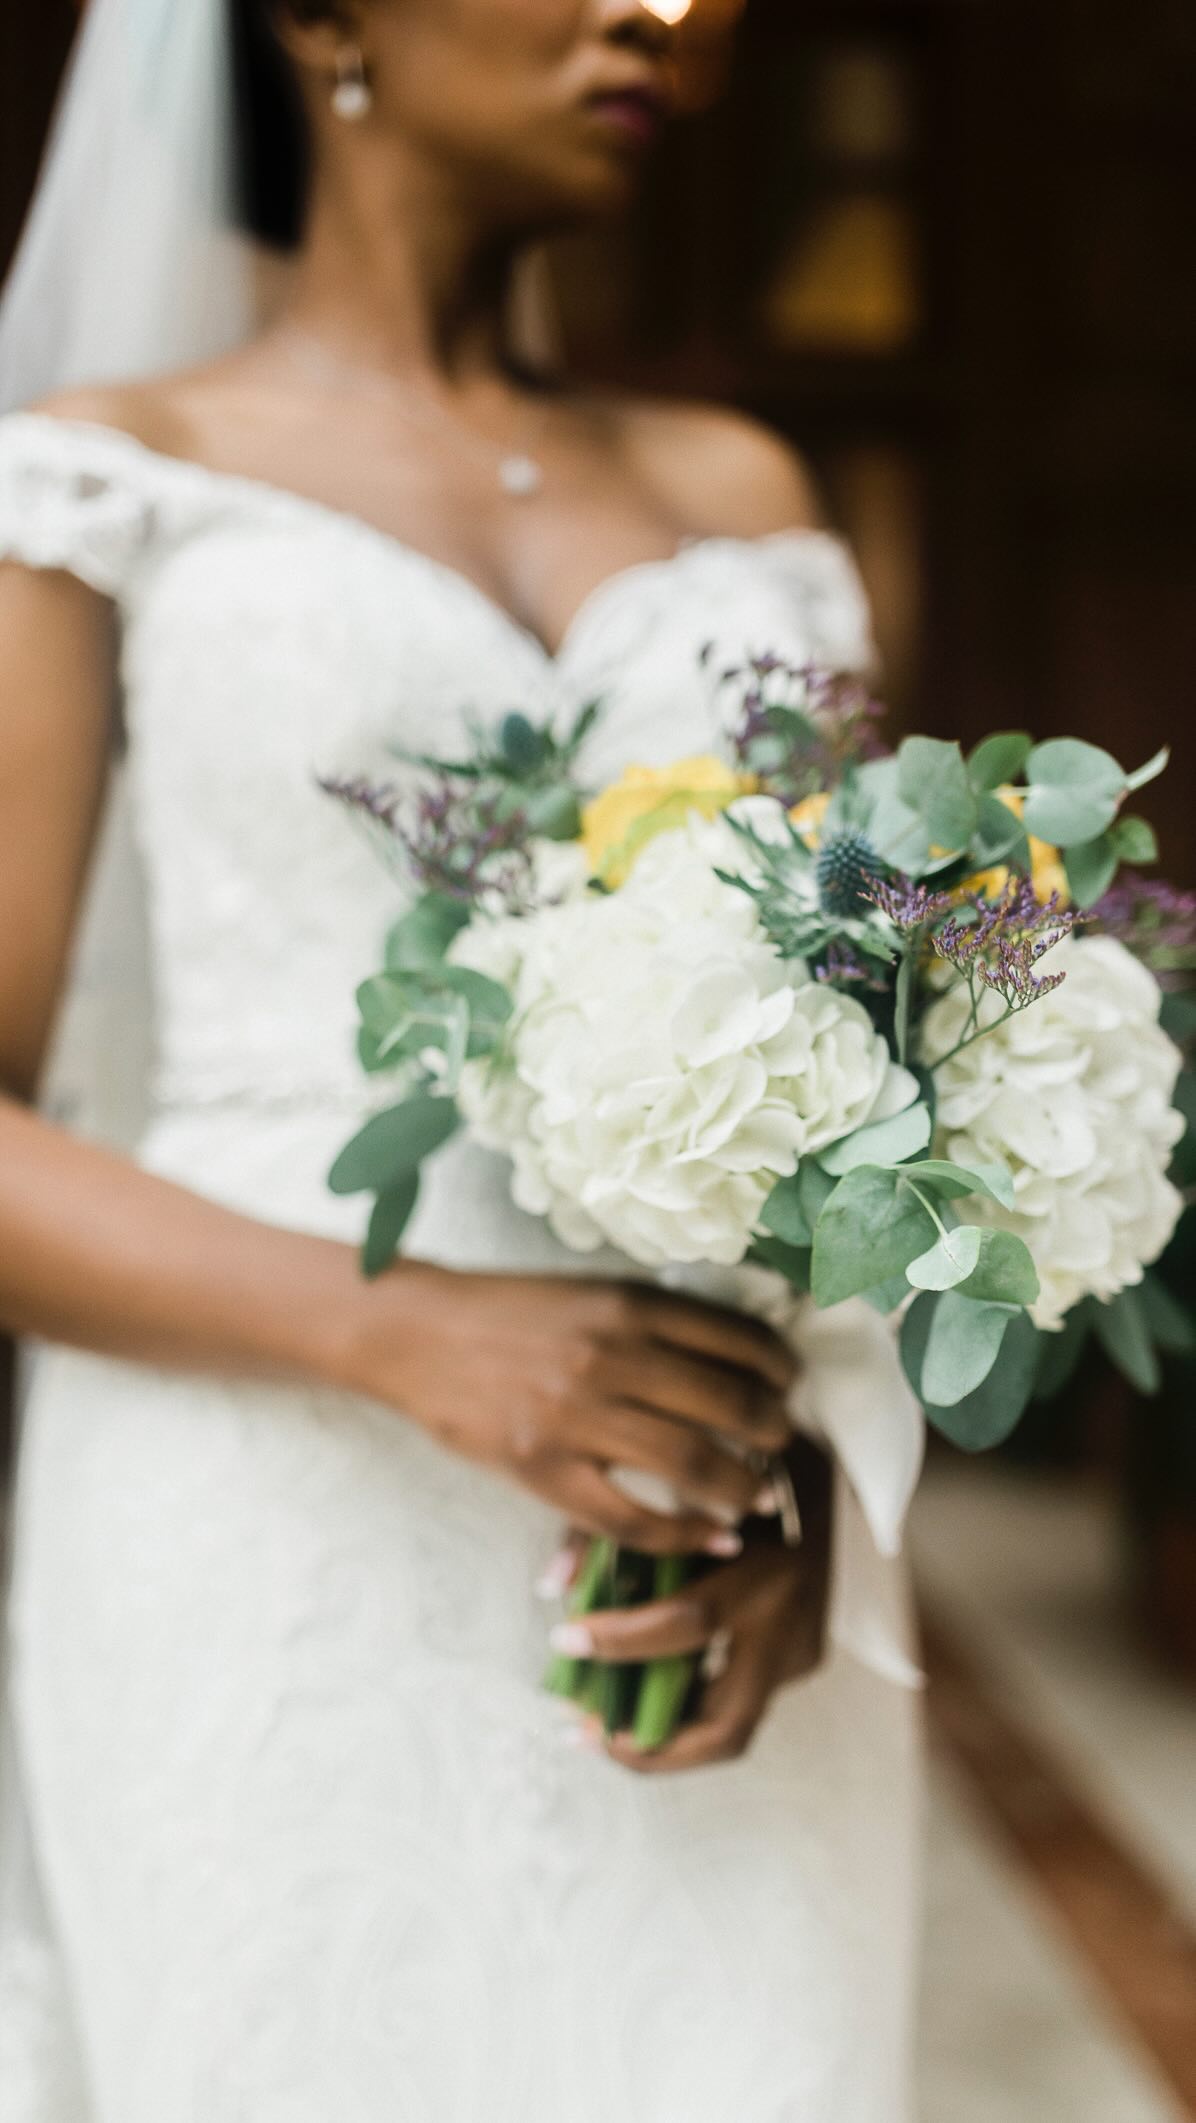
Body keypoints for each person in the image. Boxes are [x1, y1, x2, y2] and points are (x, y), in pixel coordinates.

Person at [0, 2, 924, 2115]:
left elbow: (879, 1070)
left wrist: (818, 1494)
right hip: (256, 1523)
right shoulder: (103, 472)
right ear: (321, 13)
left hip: (680, 1517)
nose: (667, 19)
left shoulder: (744, 495)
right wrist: (412, 1334)